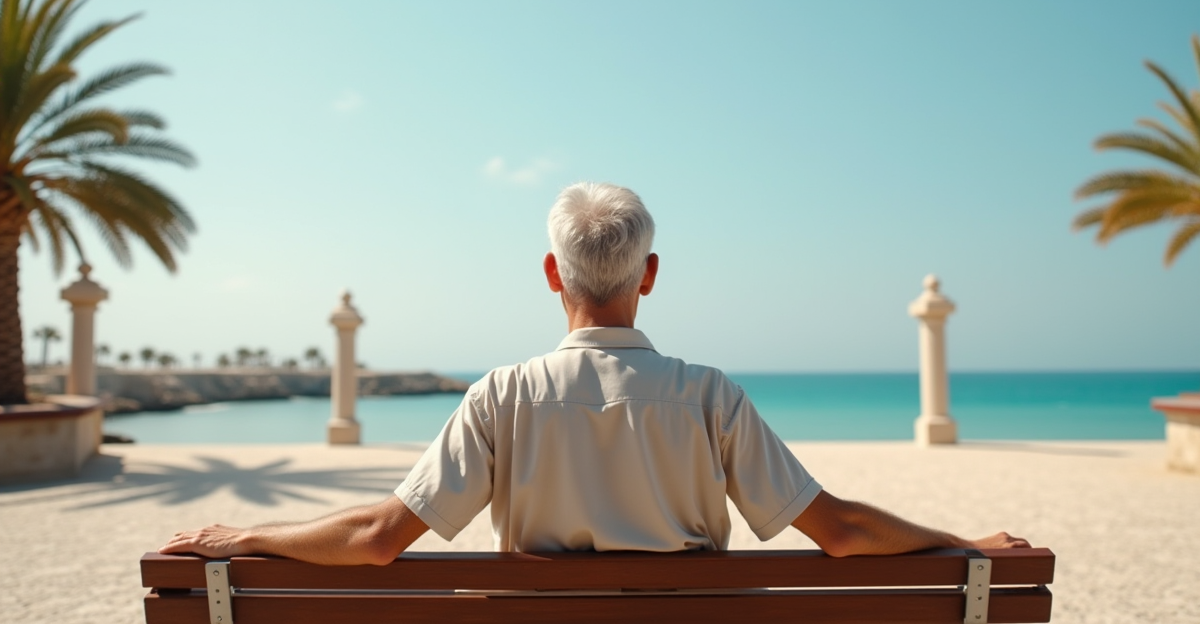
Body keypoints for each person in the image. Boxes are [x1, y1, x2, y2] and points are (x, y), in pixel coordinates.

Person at [162, 182, 1028, 564]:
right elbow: (838, 530)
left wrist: (250, 538)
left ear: (552, 274)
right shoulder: (710, 396)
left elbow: (377, 538)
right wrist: (967, 547)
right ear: (649, 275)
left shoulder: (500, 397)